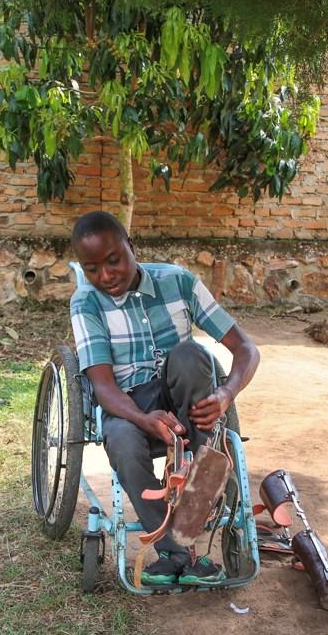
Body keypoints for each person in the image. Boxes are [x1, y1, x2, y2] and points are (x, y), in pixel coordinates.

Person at [69, 211, 260, 586]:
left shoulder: (178, 281)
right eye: (92, 269)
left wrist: (226, 393)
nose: (106, 276)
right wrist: (142, 419)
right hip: (126, 405)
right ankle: (174, 552)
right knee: (122, 440)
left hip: (183, 400)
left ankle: (193, 507)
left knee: (192, 355)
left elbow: (245, 349)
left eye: (114, 261)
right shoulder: (87, 302)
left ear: (131, 248)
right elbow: (105, 388)